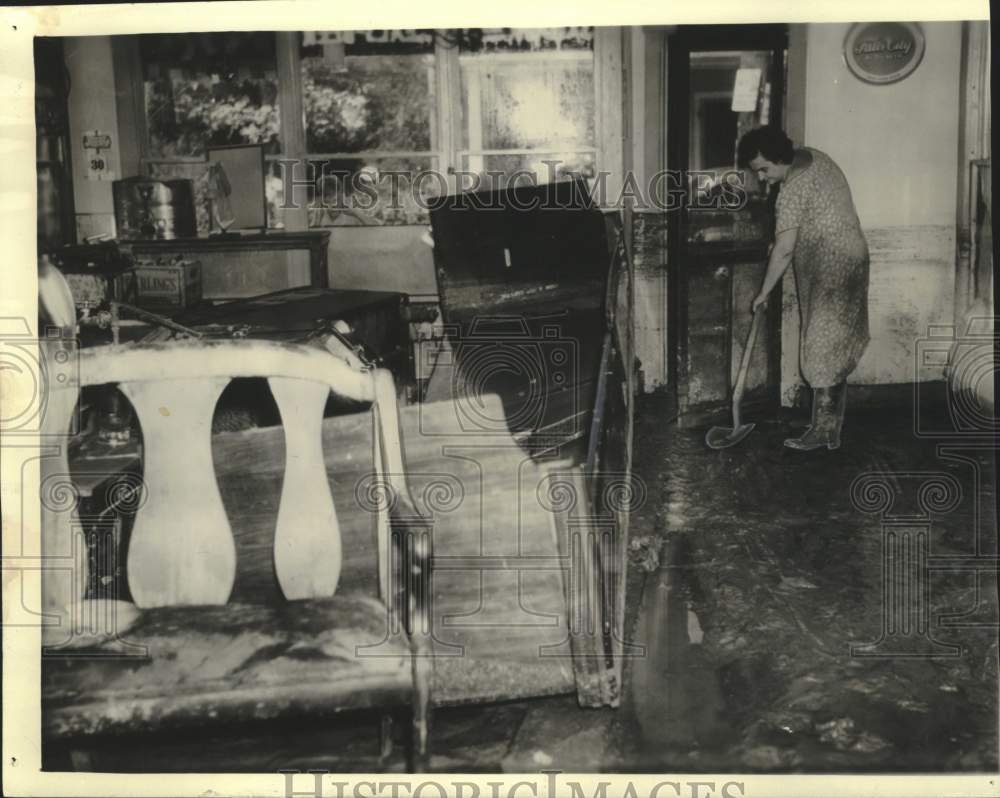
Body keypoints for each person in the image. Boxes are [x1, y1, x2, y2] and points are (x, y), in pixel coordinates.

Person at [737, 126, 870, 452]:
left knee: (822, 346)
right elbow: (792, 235)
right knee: (833, 344)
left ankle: (824, 430)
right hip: (851, 260)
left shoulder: (793, 189)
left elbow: (784, 249)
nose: (764, 179)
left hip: (832, 270)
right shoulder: (814, 157)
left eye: (764, 170)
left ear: (779, 157)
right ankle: (828, 424)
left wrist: (763, 292)